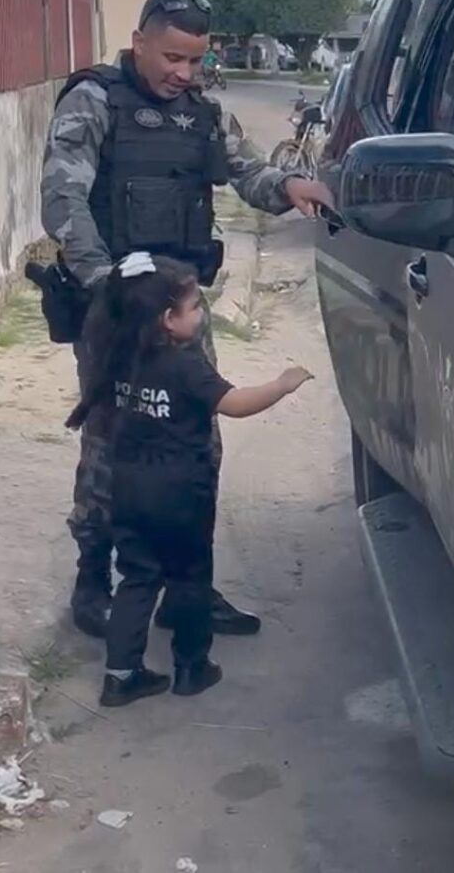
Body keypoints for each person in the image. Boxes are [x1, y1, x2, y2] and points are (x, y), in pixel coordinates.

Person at [41, 0, 333, 640]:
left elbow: (248, 172)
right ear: (139, 42)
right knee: (114, 448)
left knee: (196, 447)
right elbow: (63, 200)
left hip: (181, 314)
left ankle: (186, 588)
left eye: (195, 60)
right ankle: (94, 579)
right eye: (172, 57)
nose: (183, 72)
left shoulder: (203, 112)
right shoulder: (94, 100)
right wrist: (108, 285)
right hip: (115, 314)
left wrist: (289, 185)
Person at [65, 253, 312, 707]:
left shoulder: (117, 361)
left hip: (128, 488)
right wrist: (283, 384)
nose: (200, 314)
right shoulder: (185, 366)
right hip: (180, 493)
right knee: (190, 578)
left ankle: (121, 676)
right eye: (195, 306)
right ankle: (191, 667)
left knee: (137, 578)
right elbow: (235, 404)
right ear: (167, 319)